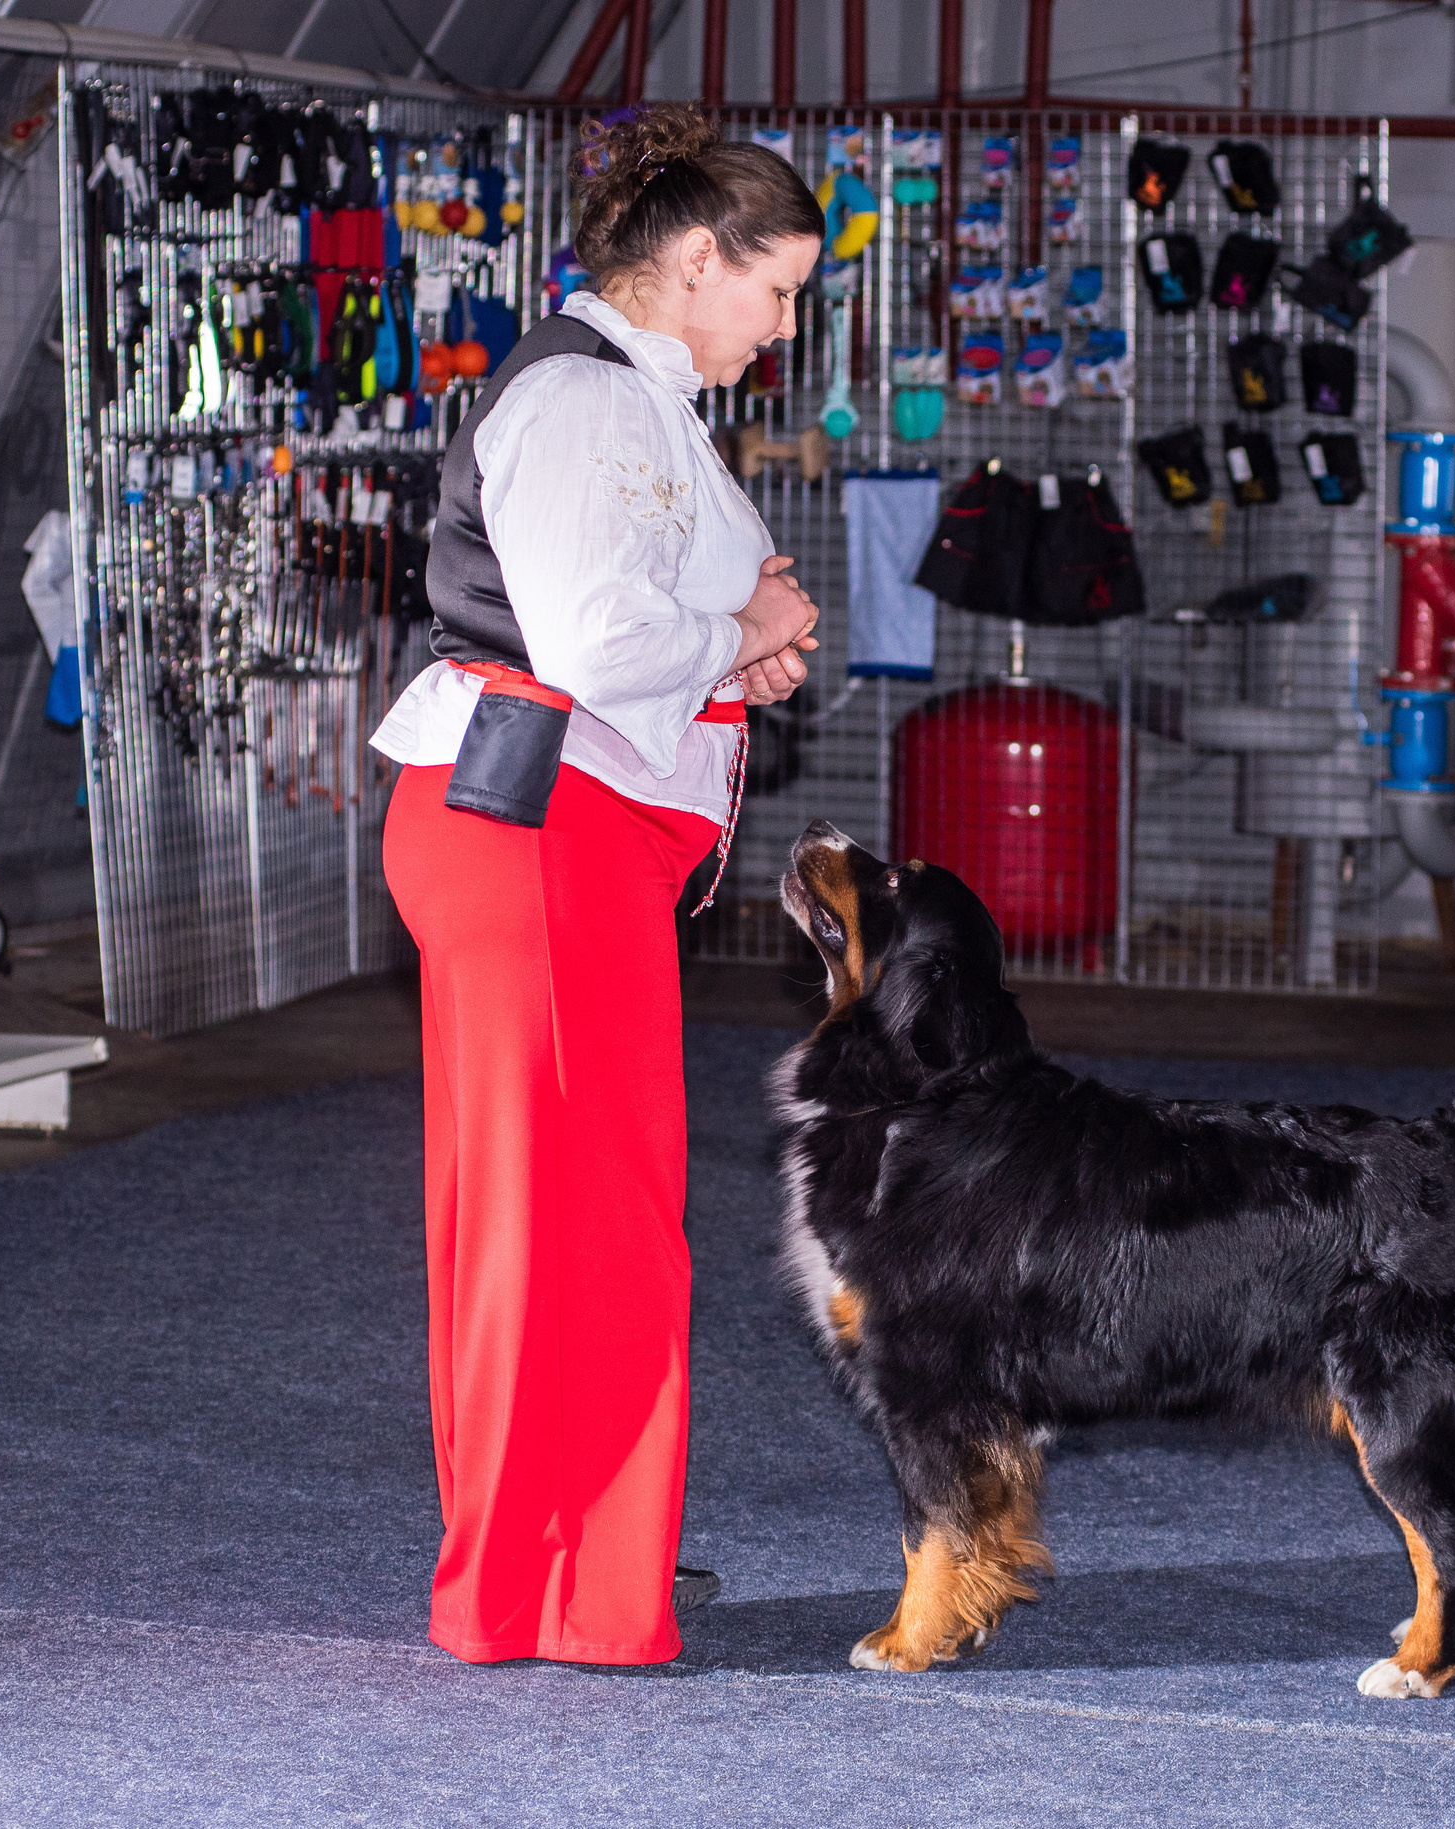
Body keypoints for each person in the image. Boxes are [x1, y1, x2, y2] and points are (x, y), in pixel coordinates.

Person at [370, 104, 824, 1667]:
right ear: (697, 261)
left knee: (553, 1217)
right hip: (542, 828)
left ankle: (544, 1578)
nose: (784, 328)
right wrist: (740, 630)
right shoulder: (590, 399)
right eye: (777, 290)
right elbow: (596, 642)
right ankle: (561, 1589)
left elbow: (631, 630)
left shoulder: (627, 397)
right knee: (586, 1224)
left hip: (548, 825)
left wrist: (737, 653)